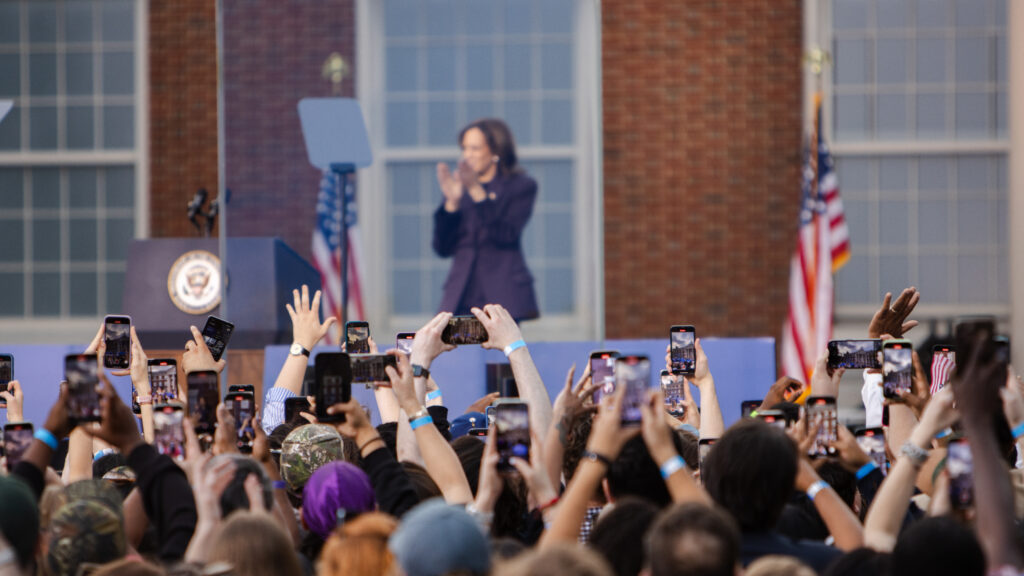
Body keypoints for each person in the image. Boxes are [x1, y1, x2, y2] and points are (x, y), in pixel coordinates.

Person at [433, 118, 539, 321]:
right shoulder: (459, 187)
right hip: (461, 294)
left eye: (475, 148)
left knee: (502, 341)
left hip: (503, 293)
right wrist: (452, 204)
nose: (467, 155)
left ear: (495, 150)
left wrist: (477, 192)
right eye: (464, 148)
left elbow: (506, 234)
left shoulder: (520, 186)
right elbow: (442, 248)